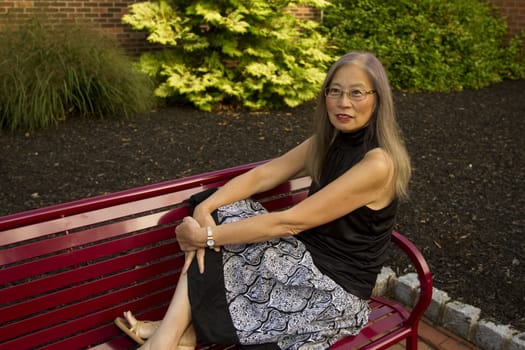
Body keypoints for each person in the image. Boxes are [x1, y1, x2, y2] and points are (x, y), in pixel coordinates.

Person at [114, 51, 412, 350]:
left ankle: (166, 338)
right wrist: (205, 210)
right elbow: (264, 176)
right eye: (335, 91)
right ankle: (176, 334)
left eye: (356, 93)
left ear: (377, 99)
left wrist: (203, 235)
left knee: (213, 234)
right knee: (218, 208)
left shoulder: (377, 164)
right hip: (302, 263)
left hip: (334, 291)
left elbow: (291, 221)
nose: (343, 102)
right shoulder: (329, 141)